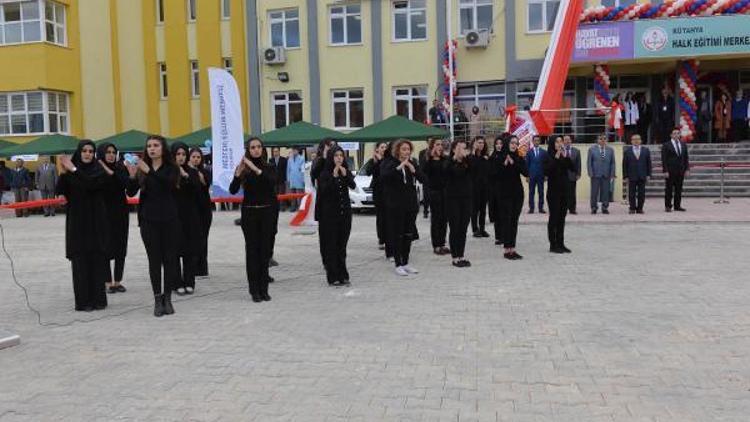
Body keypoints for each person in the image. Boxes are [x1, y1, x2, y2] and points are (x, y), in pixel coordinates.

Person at [127, 135, 180, 317]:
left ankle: (168, 298)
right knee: (154, 260)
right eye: (149, 146)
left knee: (170, 259)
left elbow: (167, 185)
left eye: (156, 145)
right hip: (149, 220)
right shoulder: (143, 169)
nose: (152, 149)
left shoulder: (171, 168)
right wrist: (133, 175)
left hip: (169, 219)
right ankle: (157, 300)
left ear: (163, 148)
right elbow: (131, 191)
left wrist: (149, 171)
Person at [56, 140, 109, 312]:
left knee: (96, 260)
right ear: (79, 152)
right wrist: (64, 175)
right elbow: (61, 189)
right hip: (78, 222)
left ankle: (99, 300)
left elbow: (91, 184)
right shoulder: (70, 171)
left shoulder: (98, 170)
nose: (87, 154)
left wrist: (73, 169)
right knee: (80, 262)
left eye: (91, 151)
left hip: (96, 222)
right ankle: (83, 302)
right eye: (84, 151)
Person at [229, 137, 278, 303]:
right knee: (252, 252)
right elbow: (233, 190)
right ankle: (254, 290)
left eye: (258, 147)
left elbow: (272, 183)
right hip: (250, 214)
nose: (256, 150)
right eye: (252, 147)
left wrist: (256, 169)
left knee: (264, 252)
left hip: (266, 213)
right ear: (248, 150)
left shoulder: (269, 167)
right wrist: (237, 175)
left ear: (262, 149)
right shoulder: (244, 169)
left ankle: (264, 289)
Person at [381, 139, 425, 276]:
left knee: (408, 234)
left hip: (410, 204)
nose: (406, 152)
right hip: (396, 205)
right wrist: (400, 167)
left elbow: (424, 179)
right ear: (398, 150)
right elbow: (385, 177)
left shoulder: (412, 164)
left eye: (408, 149)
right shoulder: (390, 163)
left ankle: (406, 262)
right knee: (398, 234)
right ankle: (398, 264)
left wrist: (414, 170)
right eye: (403, 149)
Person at [317, 146, 355, 287]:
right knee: (331, 246)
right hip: (329, 216)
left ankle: (343, 274)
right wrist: (334, 175)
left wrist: (345, 175)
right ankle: (333, 276)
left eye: (341, 155)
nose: (339, 158)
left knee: (342, 246)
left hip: (344, 214)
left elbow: (353, 185)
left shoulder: (345, 171)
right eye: (336, 155)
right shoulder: (325, 174)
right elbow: (324, 191)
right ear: (331, 157)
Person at [96, 143, 131, 294]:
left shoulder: (120, 168)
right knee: (104, 247)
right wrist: (104, 171)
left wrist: (110, 171)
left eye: (113, 152)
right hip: (103, 213)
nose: (110, 154)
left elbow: (125, 184)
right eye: (108, 152)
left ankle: (117, 281)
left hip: (120, 212)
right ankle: (107, 281)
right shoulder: (95, 170)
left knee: (120, 247)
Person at [171, 142, 202, 296]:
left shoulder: (192, 172)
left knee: (190, 251)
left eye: (183, 154)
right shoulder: (168, 172)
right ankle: (176, 283)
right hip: (173, 217)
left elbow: (197, 190)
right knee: (175, 251)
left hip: (190, 216)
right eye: (178, 154)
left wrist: (185, 175)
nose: (181, 157)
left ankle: (190, 281)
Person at [494, 135, 528, 260]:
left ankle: (512, 248)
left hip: (517, 194)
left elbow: (526, 172)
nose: (514, 145)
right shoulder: (500, 157)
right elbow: (495, 175)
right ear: (507, 143)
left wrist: (514, 163)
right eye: (512, 143)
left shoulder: (519, 157)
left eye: (516, 143)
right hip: (504, 194)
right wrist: (504, 163)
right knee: (507, 221)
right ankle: (506, 249)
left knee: (514, 221)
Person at [445, 139, 473, 268]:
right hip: (452, 199)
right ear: (454, 149)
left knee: (463, 228)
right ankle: (455, 257)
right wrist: (455, 158)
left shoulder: (468, 162)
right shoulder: (448, 162)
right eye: (460, 148)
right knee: (455, 228)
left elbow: (476, 171)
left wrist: (467, 158)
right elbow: (450, 172)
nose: (463, 150)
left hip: (466, 198)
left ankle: (461, 255)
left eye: (464, 148)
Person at [544, 136, 574, 254]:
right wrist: (556, 158)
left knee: (562, 218)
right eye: (557, 141)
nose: (559, 143)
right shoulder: (548, 156)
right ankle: (553, 244)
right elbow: (547, 171)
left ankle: (561, 243)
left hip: (564, 191)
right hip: (553, 192)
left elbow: (572, 168)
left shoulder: (564, 155)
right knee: (554, 218)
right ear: (552, 143)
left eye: (561, 141)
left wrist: (565, 156)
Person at [421, 138, 449, 255]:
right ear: (432, 146)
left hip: (445, 192)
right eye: (437, 144)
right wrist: (431, 158)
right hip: (433, 192)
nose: (440, 147)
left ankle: (442, 243)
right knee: (436, 219)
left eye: (441, 145)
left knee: (444, 219)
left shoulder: (445, 159)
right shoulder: (427, 160)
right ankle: (436, 245)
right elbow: (423, 171)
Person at [190, 148, 213, 277]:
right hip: (192, 209)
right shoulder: (185, 172)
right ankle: (192, 268)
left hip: (204, 209)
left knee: (203, 239)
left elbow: (206, 184)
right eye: (193, 157)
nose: (196, 159)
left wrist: (197, 173)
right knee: (193, 239)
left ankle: (202, 268)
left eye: (198, 157)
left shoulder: (205, 171)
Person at [363, 142, 388, 251]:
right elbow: (367, 172)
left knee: (388, 216)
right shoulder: (373, 160)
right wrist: (375, 161)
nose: (384, 149)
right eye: (382, 147)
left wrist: (381, 160)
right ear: (377, 149)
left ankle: (389, 238)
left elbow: (386, 171)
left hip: (388, 190)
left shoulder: (388, 160)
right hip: (378, 191)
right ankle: (381, 239)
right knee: (380, 216)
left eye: (385, 147)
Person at [661, 128, 690, 212]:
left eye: (678, 133)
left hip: (680, 170)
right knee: (669, 189)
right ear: (671, 135)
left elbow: (686, 158)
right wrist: (665, 170)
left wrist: (687, 169)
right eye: (674, 133)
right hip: (670, 171)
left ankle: (677, 205)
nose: (676, 135)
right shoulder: (666, 145)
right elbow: (664, 159)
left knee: (679, 189)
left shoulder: (683, 144)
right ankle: (668, 206)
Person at [622, 134, 652, 214]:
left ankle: (640, 208)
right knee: (631, 193)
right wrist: (625, 176)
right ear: (631, 141)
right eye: (634, 139)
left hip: (642, 175)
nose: (636, 141)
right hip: (631, 175)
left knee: (641, 194)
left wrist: (648, 174)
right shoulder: (627, 151)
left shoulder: (646, 150)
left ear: (641, 141)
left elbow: (649, 163)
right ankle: (632, 208)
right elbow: (624, 164)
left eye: (638, 139)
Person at [587, 134, 616, 214]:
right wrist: (590, 172)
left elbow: (613, 163)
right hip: (595, 174)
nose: (603, 140)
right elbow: (589, 162)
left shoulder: (610, 150)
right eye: (600, 139)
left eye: (604, 139)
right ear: (597, 140)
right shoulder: (592, 149)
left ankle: (605, 207)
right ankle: (594, 207)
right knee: (594, 192)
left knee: (605, 192)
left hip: (606, 174)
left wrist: (612, 173)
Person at [468, 136, 490, 238]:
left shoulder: (485, 157)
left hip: (484, 186)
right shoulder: (471, 156)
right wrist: (473, 150)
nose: (481, 144)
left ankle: (482, 229)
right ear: (474, 144)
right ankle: (475, 229)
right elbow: (471, 167)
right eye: (479, 143)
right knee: (474, 209)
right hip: (474, 186)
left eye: (482, 143)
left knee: (483, 209)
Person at [525, 135, 547, 214]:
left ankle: (541, 208)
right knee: (531, 192)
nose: (536, 142)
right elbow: (527, 164)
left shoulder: (544, 152)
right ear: (533, 141)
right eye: (535, 140)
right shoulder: (529, 152)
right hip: (532, 175)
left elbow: (545, 165)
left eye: (538, 140)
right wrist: (527, 176)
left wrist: (545, 175)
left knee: (541, 192)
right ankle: (531, 208)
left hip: (541, 175)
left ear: (540, 141)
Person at [562, 135, 581, 214]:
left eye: (568, 140)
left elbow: (578, 164)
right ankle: (563, 208)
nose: (567, 141)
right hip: (562, 175)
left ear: (571, 141)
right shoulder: (560, 150)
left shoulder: (576, 151)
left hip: (572, 175)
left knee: (572, 193)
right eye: (565, 140)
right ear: (563, 141)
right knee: (563, 193)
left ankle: (572, 209)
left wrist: (578, 174)